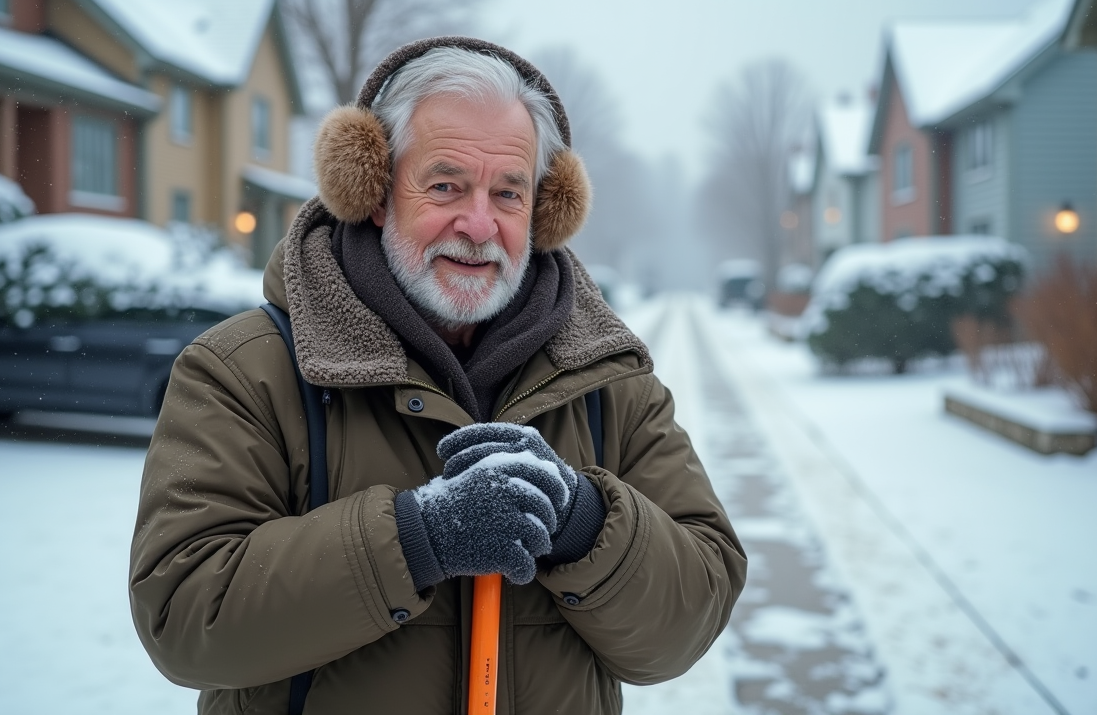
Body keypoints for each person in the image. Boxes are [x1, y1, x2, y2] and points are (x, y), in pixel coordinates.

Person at [129, 37, 746, 715]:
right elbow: (183, 619)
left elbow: (692, 615)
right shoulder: (244, 370)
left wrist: (582, 521)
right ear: (373, 192)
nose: (479, 226)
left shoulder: (608, 378)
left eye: (507, 193)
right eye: (446, 185)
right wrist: (419, 536)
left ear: (542, 211)